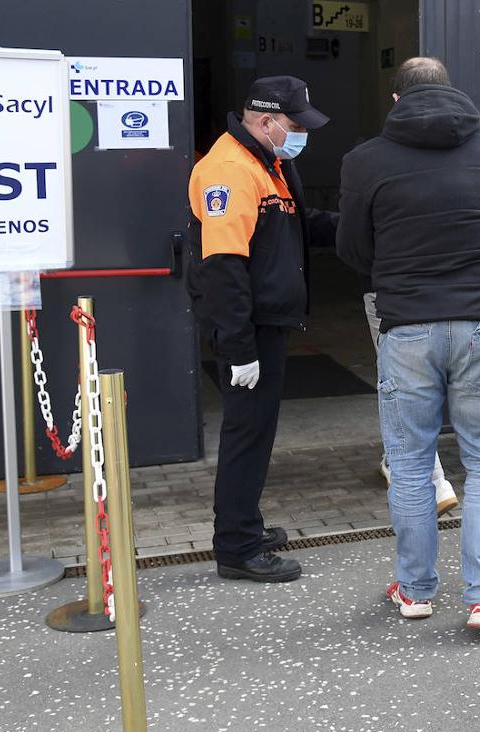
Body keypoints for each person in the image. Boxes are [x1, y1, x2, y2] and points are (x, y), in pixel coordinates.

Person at [337, 57, 480, 630]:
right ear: (452, 91)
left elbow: (352, 251)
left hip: (408, 325)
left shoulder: (365, 160)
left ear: (395, 100)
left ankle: (414, 590)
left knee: (412, 465)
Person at [188, 76, 339, 583]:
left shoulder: (268, 161)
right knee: (246, 435)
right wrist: (238, 348)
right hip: (247, 329)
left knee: (257, 431)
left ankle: (244, 525)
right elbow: (224, 265)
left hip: (266, 323)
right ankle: (236, 546)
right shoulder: (230, 169)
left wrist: (359, 224)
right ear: (266, 120)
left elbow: (299, 223)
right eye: (295, 126)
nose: (301, 136)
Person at [361, 290, 459, 516]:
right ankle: (396, 461)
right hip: (455, 297)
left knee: (397, 380)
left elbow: (354, 254)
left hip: (390, 289)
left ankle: (434, 480)